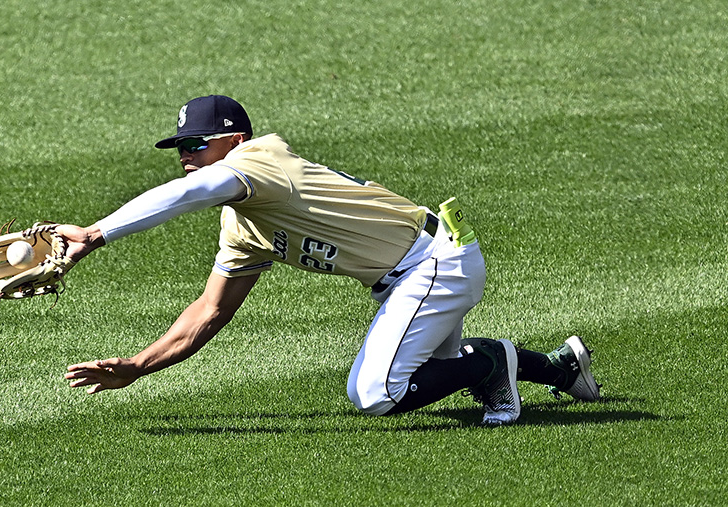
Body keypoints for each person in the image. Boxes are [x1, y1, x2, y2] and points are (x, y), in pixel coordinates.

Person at [60, 95, 600, 425]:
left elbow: (184, 195)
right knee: (433, 371)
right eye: (179, 146)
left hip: (435, 265)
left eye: (195, 143)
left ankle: (489, 363)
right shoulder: (241, 223)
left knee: (377, 394)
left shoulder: (259, 161)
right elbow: (209, 312)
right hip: (416, 273)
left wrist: (96, 234)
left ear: (234, 141)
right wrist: (136, 366)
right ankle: (557, 367)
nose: (185, 156)